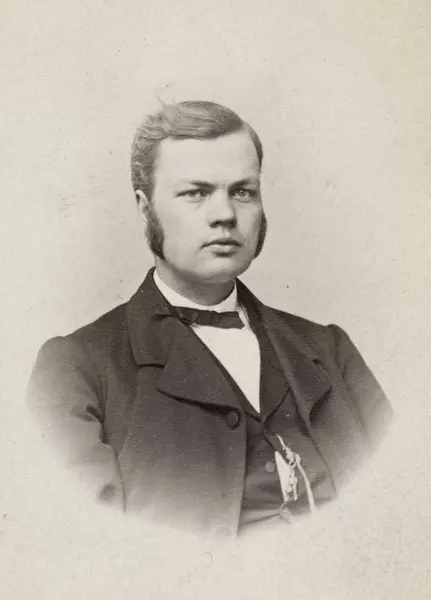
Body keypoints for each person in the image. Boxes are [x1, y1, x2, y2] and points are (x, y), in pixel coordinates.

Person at [27, 100, 393, 537]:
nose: (225, 215)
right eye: (196, 192)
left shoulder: (329, 349)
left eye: (243, 192)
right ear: (145, 208)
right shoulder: (77, 367)